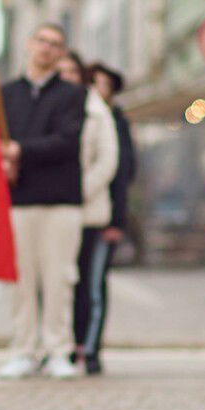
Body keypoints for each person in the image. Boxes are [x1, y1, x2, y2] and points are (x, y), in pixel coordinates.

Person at [0, 23, 86, 380]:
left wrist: (20, 150)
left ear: (61, 53)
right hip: (18, 199)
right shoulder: (6, 94)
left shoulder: (73, 95)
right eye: (42, 41)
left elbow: (67, 140)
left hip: (61, 201)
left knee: (58, 279)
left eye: (55, 44)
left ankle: (58, 350)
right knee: (22, 280)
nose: (47, 48)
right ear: (29, 44)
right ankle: (23, 349)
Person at [56, 52, 118, 376]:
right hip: (53, 209)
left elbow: (110, 162)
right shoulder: (49, 107)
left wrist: (76, 191)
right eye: (60, 72)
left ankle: (87, 348)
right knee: (57, 284)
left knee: (88, 285)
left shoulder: (97, 111)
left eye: (71, 71)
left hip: (88, 211)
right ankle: (57, 345)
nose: (65, 77)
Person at [74, 63, 134, 373]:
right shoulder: (78, 116)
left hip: (104, 215)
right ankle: (72, 345)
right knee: (74, 284)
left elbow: (123, 173)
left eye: (104, 84)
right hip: (75, 216)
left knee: (94, 284)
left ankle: (91, 348)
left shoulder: (117, 122)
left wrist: (117, 220)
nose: (98, 89)